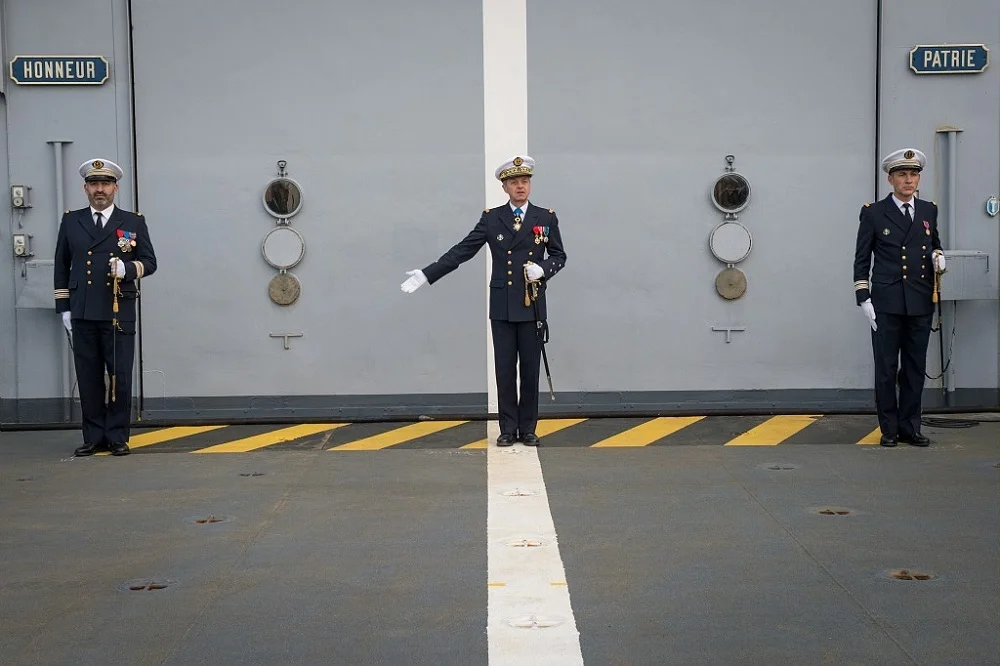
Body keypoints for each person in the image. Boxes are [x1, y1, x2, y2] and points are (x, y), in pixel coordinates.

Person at [400, 155, 566, 446]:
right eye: (514, 182)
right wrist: (428, 273)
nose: (520, 187)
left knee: (530, 370)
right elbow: (463, 250)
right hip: (502, 305)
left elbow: (558, 255)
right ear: (504, 187)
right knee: (504, 369)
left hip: (532, 303)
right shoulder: (492, 218)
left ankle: (528, 428)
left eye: (524, 181)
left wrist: (543, 269)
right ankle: (507, 428)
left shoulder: (545, 217)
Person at [54, 159, 157, 456]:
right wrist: (64, 307)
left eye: (105, 184)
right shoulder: (72, 221)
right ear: (85, 188)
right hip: (83, 310)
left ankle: (116, 436)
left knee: (119, 376)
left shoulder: (132, 222)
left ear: (115, 188)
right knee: (88, 377)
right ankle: (93, 436)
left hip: (117, 310)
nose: (100, 190)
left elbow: (150, 262)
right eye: (94, 184)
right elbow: (61, 265)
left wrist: (127, 269)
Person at [854, 148, 945, 447]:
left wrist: (938, 255)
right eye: (902, 174)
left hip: (920, 299)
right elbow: (862, 259)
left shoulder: (928, 210)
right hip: (887, 301)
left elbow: (933, 242)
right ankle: (889, 429)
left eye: (913, 174)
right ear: (890, 179)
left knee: (915, 368)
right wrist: (864, 297)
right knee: (886, 368)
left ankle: (910, 427)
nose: (909, 180)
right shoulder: (874, 213)